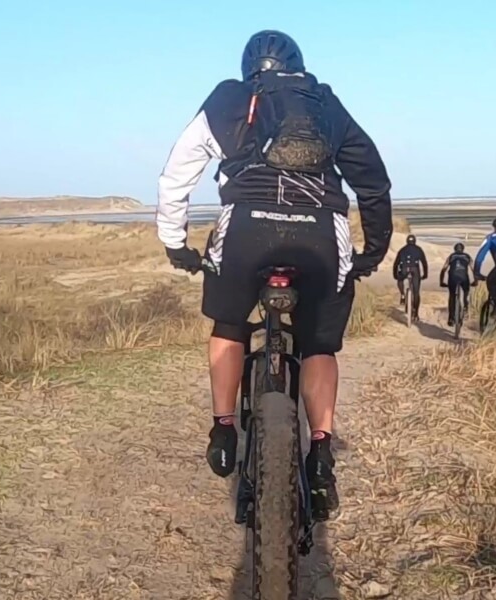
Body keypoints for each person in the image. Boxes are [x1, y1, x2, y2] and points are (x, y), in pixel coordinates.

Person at [155, 30, 393, 518]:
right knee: (320, 345)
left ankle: (224, 428)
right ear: (298, 68)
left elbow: (177, 173)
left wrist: (175, 242)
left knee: (229, 325)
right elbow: (373, 180)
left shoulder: (229, 97)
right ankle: (321, 447)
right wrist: (373, 249)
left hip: (245, 229)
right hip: (321, 234)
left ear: (249, 70)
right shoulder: (326, 102)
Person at [392, 235, 428, 321]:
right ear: (415, 241)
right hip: (415, 270)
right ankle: (415, 313)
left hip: (404, 269)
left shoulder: (402, 250)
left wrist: (395, 275)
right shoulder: (419, 249)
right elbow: (424, 263)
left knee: (400, 279)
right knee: (416, 293)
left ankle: (403, 295)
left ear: (407, 241)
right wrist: (425, 274)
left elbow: (396, 264)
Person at [439, 242, 473, 327]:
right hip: (464, 278)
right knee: (466, 292)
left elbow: (443, 269)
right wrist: (476, 281)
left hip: (453, 278)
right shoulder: (467, 256)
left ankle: (451, 318)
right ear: (463, 249)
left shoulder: (451, 256)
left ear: (455, 249)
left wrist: (441, 282)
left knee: (452, 296)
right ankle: (465, 308)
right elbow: (473, 269)